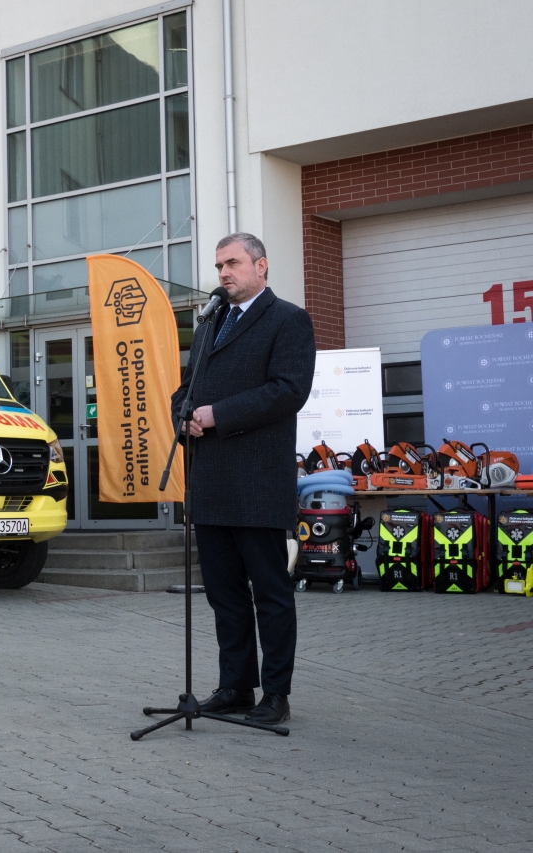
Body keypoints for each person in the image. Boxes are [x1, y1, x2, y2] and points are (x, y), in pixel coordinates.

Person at [172, 233, 316, 725]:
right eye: (219, 266)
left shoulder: (288, 320)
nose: (224, 273)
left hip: (257, 482)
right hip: (211, 481)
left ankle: (275, 694)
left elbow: (288, 391)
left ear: (261, 266)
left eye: (232, 263)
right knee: (224, 595)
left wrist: (217, 415)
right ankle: (235, 686)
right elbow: (186, 389)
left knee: (270, 595)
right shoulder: (211, 323)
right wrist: (183, 417)